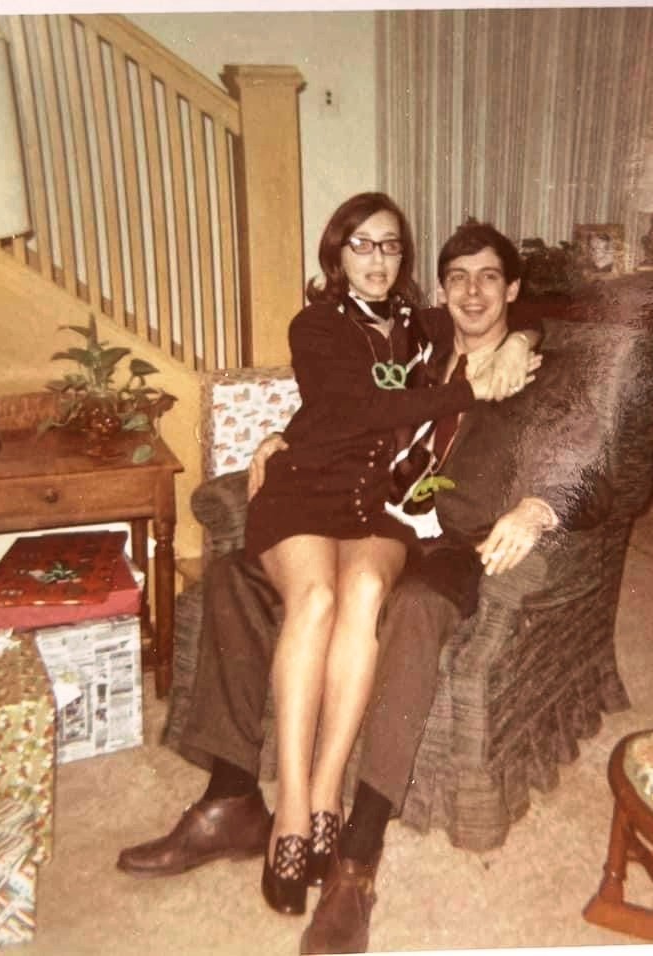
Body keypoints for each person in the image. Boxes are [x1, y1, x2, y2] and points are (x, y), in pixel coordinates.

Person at [117, 219, 604, 954]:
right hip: (364, 515)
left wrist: (539, 507)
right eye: (458, 278)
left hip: (444, 545)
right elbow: (349, 400)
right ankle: (231, 800)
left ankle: (357, 856)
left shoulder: (542, 372)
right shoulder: (423, 342)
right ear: (440, 290)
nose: (473, 293)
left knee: (411, 609)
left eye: (489, 278)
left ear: (513, 289)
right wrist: (286, 436)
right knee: (237, 577)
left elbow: (602, 474)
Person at [235, 192, 540, 917]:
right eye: (362, 244)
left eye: (391, 245)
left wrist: (521, 342)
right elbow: (351, 410)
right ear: (337, 253)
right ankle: (293, 808)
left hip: (372, 507)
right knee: (315, 600)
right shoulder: (314, 325)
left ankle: (330, 796)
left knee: (367, 593)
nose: (378, 259)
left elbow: (498, 309)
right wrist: (463, 390)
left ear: (405, 258)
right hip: (306, 491)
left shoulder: (418, 324)